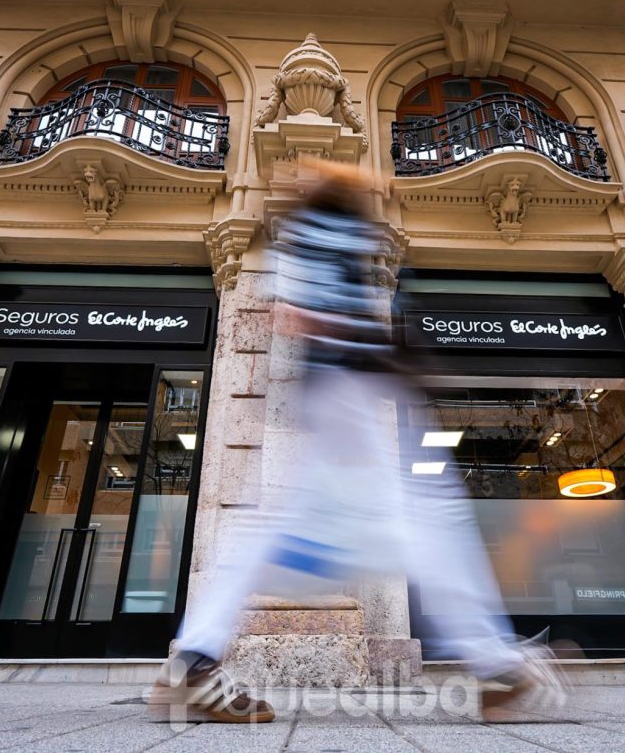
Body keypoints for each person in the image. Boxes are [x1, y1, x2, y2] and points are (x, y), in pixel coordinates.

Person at [147, 160, 567, 724]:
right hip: (353, 388)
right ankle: (494, 665)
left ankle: (195, 661)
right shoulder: (322, 227)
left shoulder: (308, 229)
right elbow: (297, 313)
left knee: (297, 528)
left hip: (346, 389)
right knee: (420, 519)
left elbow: (294, 308)